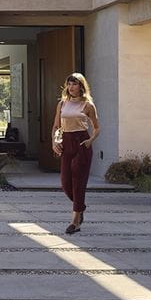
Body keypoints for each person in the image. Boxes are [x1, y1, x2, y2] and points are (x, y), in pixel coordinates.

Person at [51, 72, 100, 234]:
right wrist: (55, 142)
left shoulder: (88, 105)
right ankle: (80, 207)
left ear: (81, 86)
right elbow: (56, 126)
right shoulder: (62, 104)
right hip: (66, 143)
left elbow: (97, 128)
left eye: (75, 84)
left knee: (78, 182)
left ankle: (75, 222)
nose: (71, 87)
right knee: (66, 183)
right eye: (69, 84)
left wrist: (90, 140)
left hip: (81, 143)